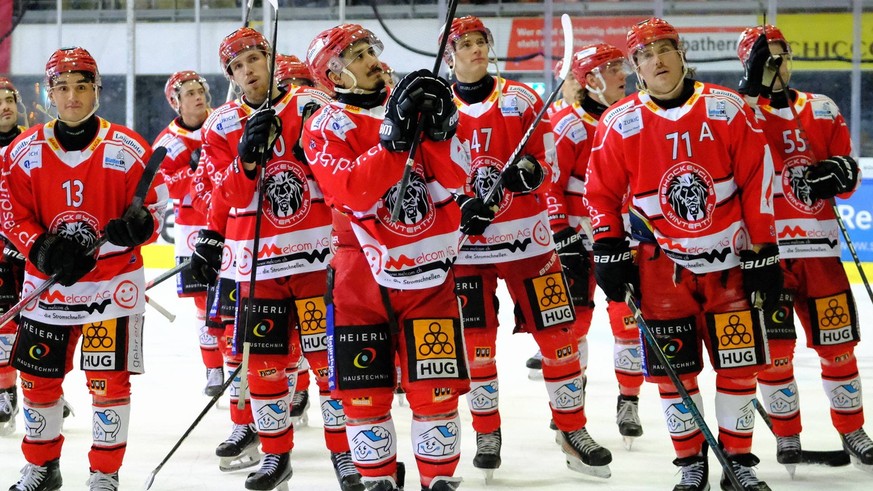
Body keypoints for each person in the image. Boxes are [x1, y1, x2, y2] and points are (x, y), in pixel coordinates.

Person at [585, 18, 782, 491]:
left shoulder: (726, 108)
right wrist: (609, 245)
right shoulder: (619, 121)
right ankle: (691, 461)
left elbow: (758, 179)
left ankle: (739, 462)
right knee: (676, 374)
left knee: (737, 367)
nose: (658, 60)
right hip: (661, 268)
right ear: (636, 67)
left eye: (665, 49)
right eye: (646, 54)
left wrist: (763, 249)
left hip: (730, 266)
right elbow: (601, 193)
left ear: (681, 52)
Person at [192, 26, 363, 491]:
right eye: (238, 66)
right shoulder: (221, 124)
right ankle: (274, 455)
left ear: (269, 57)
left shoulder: (312, 105)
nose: (248, 71)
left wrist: (304, 146)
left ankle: (344, 454)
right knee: (263, 368)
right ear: (230, 74)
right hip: (256, 268)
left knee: (329, 365)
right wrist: (245, 159)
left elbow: (339, 173)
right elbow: (218, 196)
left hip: (315, 262)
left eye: (254, 59)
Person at [442, 15, 612, 479]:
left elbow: (549, 162)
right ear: (450, 52)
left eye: (482, 41)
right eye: (467, 43)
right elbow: (429, 173)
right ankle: (486, 430)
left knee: (560, 336)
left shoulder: (521, 98)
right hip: (467, 249)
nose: (477, 49)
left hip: (529, 242)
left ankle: (572, 428)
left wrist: (530, 173)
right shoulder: (437, 109)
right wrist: (458, 202)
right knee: (476, 345)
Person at [304, 23, 471, 491]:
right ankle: (378, 480)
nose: (372, 59)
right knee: (363, 394)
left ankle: (438, 479)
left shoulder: (411, 106)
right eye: (357, 55)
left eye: (370, 49)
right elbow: (352, 189)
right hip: (359, 278)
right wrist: (394, 138)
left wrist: (439, 128)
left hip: (428, 269)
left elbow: (459, 176)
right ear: (333, 71)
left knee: (435, 392)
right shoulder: (324, 123)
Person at [3, 46, 166, 491]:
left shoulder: (129, 147)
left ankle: (104, 474)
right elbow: (9, 211)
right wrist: (41, 249)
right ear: (48, 93)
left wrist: (141, 227)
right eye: (62, 87)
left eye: (81, 86)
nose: (72, 96)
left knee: (108, 385)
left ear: (96, 89)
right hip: (48, 293)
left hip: (110, 292)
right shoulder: (21, 151)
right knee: (36, 381)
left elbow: (154, 210)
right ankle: (42, 466)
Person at [736, 24, 873, 471]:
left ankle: (852, 429)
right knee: (775, 355)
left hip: (820, 254)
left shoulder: (823, 107)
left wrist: (841, 172)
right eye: (766, 58)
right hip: (768, 255)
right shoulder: (738, 112)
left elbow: (847, 169)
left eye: (782, 55)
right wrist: (752, 94)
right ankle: (787, 436)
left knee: (838, 348)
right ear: (749, 65)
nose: (778, 64)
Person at [546, 43, 646, 447]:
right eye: (611, 68)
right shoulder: (568, 126)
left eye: (621, 66)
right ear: (589, 81)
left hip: (620, 241)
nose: (623, 74)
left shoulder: (635, 118)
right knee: (574, 327)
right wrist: (560, 230)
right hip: (576, 243)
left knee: (628, 324)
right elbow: (549, 185)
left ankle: (629, 402)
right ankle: (574, 398)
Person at [153, 70, 224, 396]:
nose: (198, 96)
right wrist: (195, 171)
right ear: (175, 102)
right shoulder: (167, 142)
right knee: (202, 302)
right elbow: (165, 184)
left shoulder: (222, 122)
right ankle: (213, 369)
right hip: (192, 229)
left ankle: (235, 359)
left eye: (200, 89)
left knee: (231, 299)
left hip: (228, 224)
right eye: (189, 92)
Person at [0, 76, 27, 436]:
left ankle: (41, 381)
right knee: (4, 321)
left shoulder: (32, 144)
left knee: (39, 322)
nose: (4, 105)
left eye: (9, 99)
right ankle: (6, 389)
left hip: (30, 249)